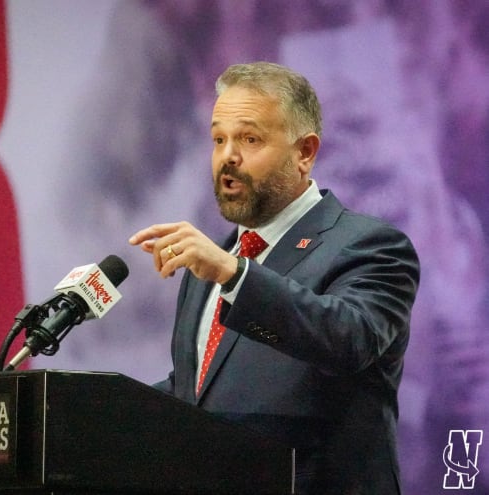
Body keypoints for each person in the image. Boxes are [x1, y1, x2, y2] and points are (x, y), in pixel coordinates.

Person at [129, 62, 420, 494]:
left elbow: (348, 337)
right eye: (218, 139)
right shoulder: (212, 266)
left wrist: (234, 274)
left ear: (305, 152)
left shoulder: (372, 246)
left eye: (249, 138)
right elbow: (198, 391)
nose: (228, 155)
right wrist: (96, 411)